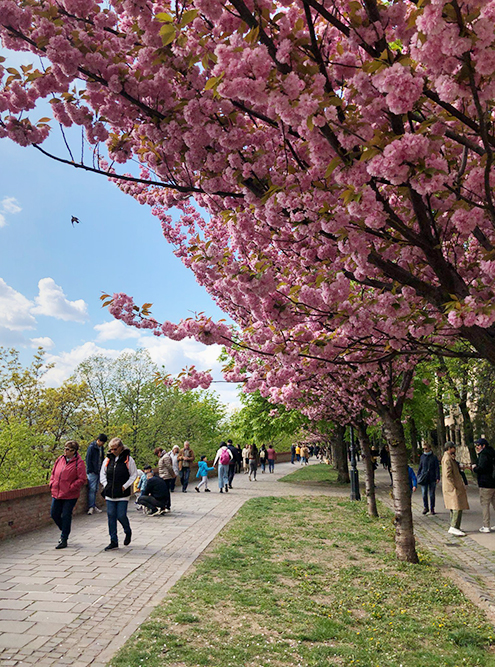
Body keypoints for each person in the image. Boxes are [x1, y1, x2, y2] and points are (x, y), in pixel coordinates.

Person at [100, 437, 138, 550]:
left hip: (122, 493)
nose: (112, 451)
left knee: (121, 515)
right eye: (111, 449)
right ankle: (113, 540)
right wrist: (106, 484)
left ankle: (127, 530)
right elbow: (102, 473)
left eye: (115, 449)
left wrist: (125, 486)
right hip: (110, 492)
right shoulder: (107, 460)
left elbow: (133, 474)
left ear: (121, 448)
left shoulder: (128, 460)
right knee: (111, 515)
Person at [50, 440, 87, 549]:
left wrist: (71, 487)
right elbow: (53, 472)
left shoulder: (79, 463)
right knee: (54, 514)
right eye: (65, 448)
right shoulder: (60, 459)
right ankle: (65, 530)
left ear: (74, 451)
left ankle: (64, 538)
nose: (65, 451)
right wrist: (52, 483)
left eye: (68, 449)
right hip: (57, 492)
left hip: (70, 495)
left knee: (66, 515)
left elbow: (82, 479)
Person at [441, 442, 469, 537]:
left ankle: (456, 526)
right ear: (449, 448)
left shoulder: (449, 458)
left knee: (455, 506)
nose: (455, 449)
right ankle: (453, 526)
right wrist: (453, 485)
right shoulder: (447, 459)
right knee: (456, 506)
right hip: (452, 487)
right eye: (453, 448)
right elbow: (448, 474)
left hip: (453, 486)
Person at [471, 438, 495, 532]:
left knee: (485, 504)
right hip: (493, 482)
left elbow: (482, 468)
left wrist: (474, 468)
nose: (477, 447)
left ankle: (486, 526)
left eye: (478, 445)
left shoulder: (483, 455)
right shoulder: (492, 453)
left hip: (485, 483)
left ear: (483, 446)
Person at [85, 433, 107, 515]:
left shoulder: (101, 448)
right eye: (102, 442)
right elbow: (88, 459)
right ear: (98, 440)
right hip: (93, 471)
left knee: (96, 489)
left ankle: (94, 505)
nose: (102, 444)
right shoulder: (92, 447)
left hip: (99, 471)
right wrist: (90, 470)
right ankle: (91, 506)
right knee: (92, 488)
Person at [417, 444, 440, 515]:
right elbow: (420, 467)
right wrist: (418, 476)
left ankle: (432, 508)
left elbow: (437, 468)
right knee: (424, 494)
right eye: (424, 449)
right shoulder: (422, 457)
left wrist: (437, 477)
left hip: (432, 478)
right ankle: (426, 507)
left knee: (432, 494)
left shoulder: (434, 457)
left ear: (430, 448)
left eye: (426, 448)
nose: (425, 450)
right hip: (424, 478)